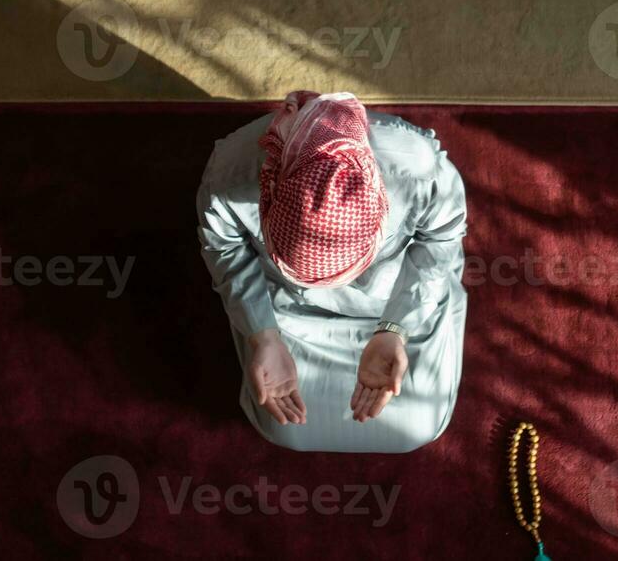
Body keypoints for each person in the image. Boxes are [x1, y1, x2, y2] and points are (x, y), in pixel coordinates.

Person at [196, 91, 468, 454]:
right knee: (286, 430)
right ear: (269, 199)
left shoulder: (416, 166)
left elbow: (441, 240)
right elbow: (226, 249)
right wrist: (263, 335)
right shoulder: (231, 173)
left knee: (415, 427)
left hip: (392, 296)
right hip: (289, 306)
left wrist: (396, 330)